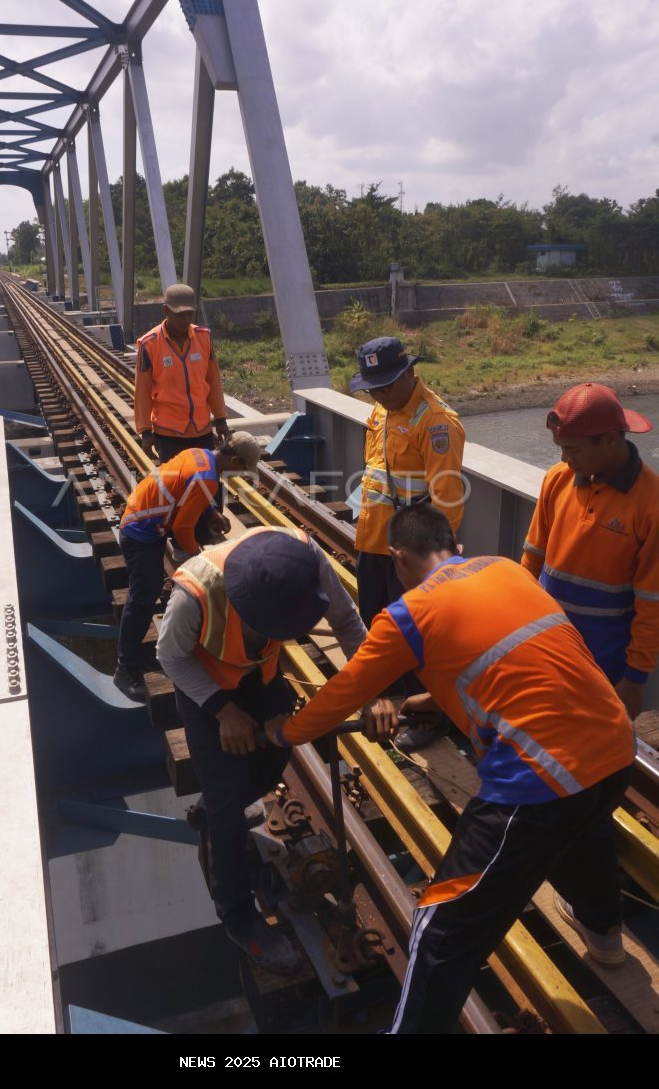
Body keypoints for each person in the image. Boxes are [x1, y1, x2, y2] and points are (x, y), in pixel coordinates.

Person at [266, 505, 635, 1034]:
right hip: (614, 748)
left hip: (541, 780)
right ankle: (606, 941)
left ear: (397, 558)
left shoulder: (409, 614)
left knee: (441, 929)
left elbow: (344, 694)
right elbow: (517, 661)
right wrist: (427, 698)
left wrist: (284, 733)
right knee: (585, 827)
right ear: (453, 542)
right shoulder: (506, 569)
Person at [156, 527, 391, 976]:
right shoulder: (194, 594)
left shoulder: (307, 560)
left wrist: (372, 692)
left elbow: (346, 622)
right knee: (226, 804)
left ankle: (215, 807)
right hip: (206, 691)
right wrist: (224, 712)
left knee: (274, 756)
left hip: (261, 678)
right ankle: (238, 917)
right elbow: (171, 658)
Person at [351, 336, 466, 750]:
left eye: (385, 385)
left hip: (411, 554)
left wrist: (432, 563)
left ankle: (431, 718)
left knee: (420, 639)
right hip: (374, 543)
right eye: (372, 388)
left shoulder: (436, 423)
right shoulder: (382, 412)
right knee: (379, 626)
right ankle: (393, 704)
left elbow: (447, 502)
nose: (379, 394)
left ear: (409, 373)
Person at [522, 382, 658, 721]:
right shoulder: (557, 479)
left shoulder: (651, 504)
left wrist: (634, 679)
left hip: (603, 661)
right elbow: (530, 562)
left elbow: (651, 602)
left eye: (573, 450)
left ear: (611, 440)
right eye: (560, 449)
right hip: (546, 645)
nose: (565, 459)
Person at [114, 433, 261, 701]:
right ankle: (126, 668)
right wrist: (201, 559)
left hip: (147, 521)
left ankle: (142, 658)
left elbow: (185, 487)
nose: (240, 475)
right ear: (236, 459)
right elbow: (182, 528)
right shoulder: (208, 479)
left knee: (150, 591)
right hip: (141, 531)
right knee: (142, 598)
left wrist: (210, 513)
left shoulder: (202, 455)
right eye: (242, 469)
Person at [134, 283, 230, 463]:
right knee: (175, 486)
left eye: (189, 313)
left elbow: (213, 381)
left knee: (206, 484)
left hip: (202, 429)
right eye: (180, 314)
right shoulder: (150, 345)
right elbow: (142, 392)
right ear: (166, 311)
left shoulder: (203, 338)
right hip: (169, 433)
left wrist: (220, 419)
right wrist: (145, 431)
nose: (186, 319)